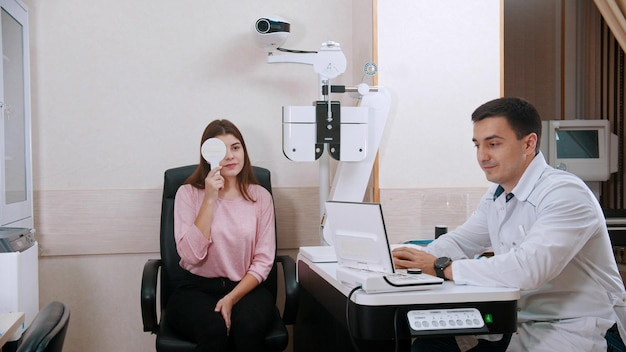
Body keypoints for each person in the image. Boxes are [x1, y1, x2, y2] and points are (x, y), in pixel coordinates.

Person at [392, 97, 626, 351]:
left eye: (493, 144)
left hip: (578, 327)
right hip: (521, 323)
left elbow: (528, 269)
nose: (483, 156)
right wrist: (408, 261)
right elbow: (462, 241)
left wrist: (443, 268)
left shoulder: (565, 193)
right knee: (430, 343)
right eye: (478, 145)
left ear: (528, 143)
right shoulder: (498, 195)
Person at [166, 119, 276, 351]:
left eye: (235, 147)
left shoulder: (261, 197)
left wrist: (231, 298)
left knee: (247, 327)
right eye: (222, 150)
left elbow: (263, 261)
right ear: (208, 155)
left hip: (246, 288)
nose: (230, 156)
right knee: (213, 329)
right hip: (195, 289)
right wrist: (209, 199)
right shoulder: (187, 194)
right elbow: (191, 255)